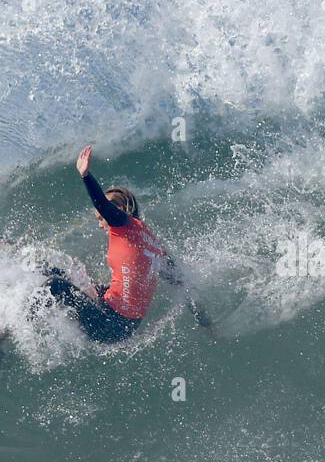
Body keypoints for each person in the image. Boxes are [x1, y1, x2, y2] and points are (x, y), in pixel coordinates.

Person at [41, 145, 214, 342]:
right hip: (120, 322)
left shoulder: (124, 225)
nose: (100, 225)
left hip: (110, 324)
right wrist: (206, 324)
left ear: (120, 209)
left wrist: (86, 175)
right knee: (66, 273)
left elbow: (101, 204)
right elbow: (183, 285)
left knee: (54, 284)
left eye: (101, 219)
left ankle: (13, 328)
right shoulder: (151, 243)